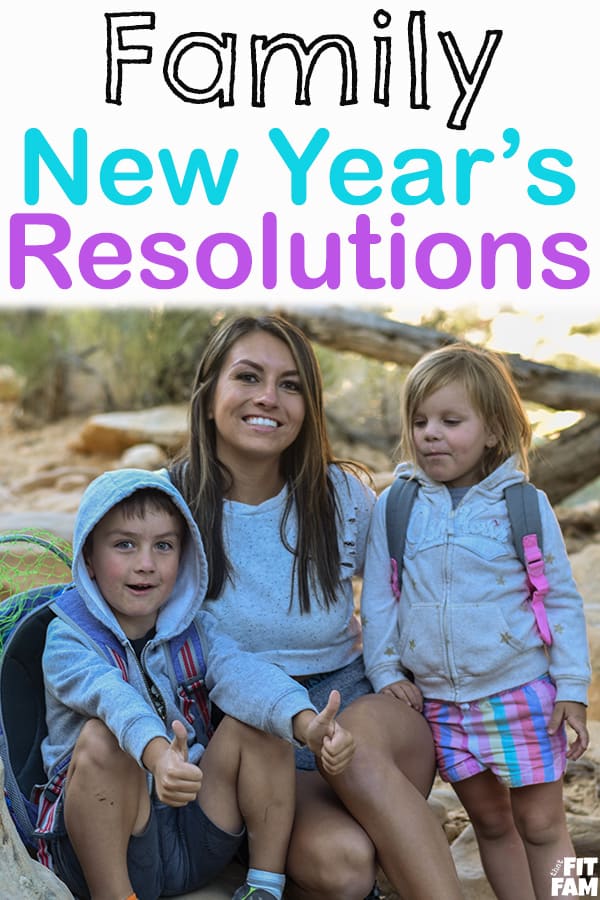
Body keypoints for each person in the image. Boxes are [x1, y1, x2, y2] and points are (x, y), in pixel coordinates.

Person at [170, 314, 462, 900]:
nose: (268, 399)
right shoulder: (166, 505)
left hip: (359, 707)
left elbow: (408, 590)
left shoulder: (341, 496)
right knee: (345, 865)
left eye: (291, 384)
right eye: (248, 377)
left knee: (353, 742)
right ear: (208, 399)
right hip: (259, 740)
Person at [37, 467, 356, 900]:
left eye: (163, 546)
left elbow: (244, 674)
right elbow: (113, 698)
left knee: (258, 715)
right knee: (101, 738)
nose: (145, 563)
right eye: (124, 544)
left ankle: (264, 886)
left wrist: (304, 724)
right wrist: (157, 758)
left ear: (184, 557)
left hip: (196, 832)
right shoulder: (69, 638)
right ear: (88, 558)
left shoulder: (194, 630)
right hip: (115, 840)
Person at [361, 342, 592, 900]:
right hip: (441, 705)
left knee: (544, 825)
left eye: (450, 421)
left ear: (492, 431)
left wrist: (574, 686)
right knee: (490, 824)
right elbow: (379, 598)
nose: (430, 434)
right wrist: (386, 668)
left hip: (518, 694)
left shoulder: (526, 505)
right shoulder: (397, 505)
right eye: (420, 422)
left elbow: (559, 598)